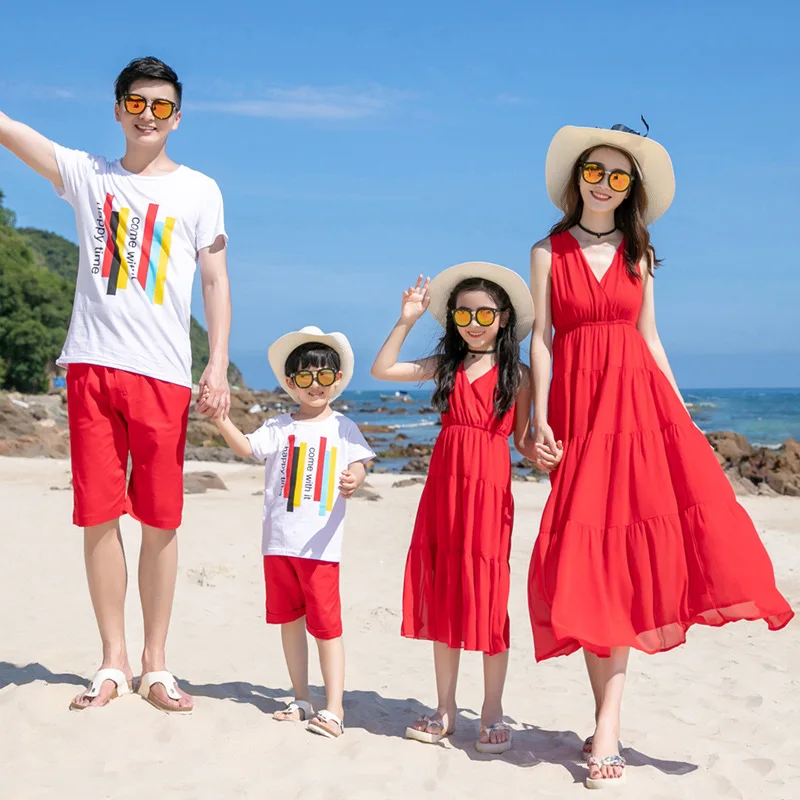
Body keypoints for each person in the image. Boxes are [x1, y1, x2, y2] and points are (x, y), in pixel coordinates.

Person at [526, 122, 795, 788]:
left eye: (619, 177)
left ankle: (608, 732)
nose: (605, 185)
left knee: (622, 561)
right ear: (576, 177)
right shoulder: (546, 249)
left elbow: (650, 339)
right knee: (585, 563)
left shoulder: (640, 253)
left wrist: (685, 419)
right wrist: (537, 416)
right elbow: (542, 342)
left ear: (632, 189)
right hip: (577, 417)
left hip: (638, 410)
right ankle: (604, 723)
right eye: (596, 172)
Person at [0, 56, 232, 713]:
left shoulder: (200, 190)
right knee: (99, 517)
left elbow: (215, 281)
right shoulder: (87, 174)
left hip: (163, 374)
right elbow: (10, 129)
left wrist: (215, 363)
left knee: (160, 521)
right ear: (118, 109)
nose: (148, 115)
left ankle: (157, 665)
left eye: (161, 106)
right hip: (92, 368)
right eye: (137, 102)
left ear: (177, 117)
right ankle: (113, 660)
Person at [371, 263, 538, 753]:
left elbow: (524, 441)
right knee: (445, 591)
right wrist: (406, 320)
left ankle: (491, 710)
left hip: (490, 492)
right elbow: (382, 370)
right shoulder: (446, 367)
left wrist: (550, 451)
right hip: (444, 490)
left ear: (504, 318)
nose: (474, 322)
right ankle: (445, 709)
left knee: (489, 596)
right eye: (463, 314)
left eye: (484, 313)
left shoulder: (519, 375)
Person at [212, 326, 375, 739]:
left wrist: (355, 478)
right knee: (289, 622)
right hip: (278, 544)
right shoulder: (278, 425)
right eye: (305, 377)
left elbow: (360, 463)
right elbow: (247, 448)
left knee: (326, 627)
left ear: (337, 380)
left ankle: (334, 709)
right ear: (290, 383)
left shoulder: (344, 427)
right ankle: (302, 698)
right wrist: (220, 419)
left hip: (320, 548)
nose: (315, 385)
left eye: (323, 377)